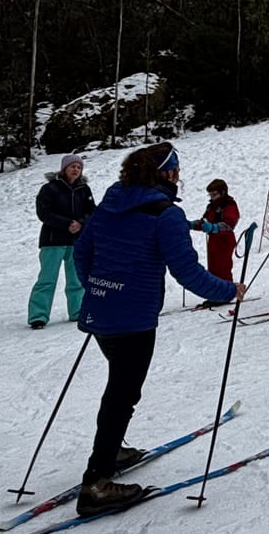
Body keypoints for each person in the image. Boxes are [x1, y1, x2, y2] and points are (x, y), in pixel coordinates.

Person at [71, 141, 242, 514]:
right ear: (165, 173)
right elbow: (187, 272)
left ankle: (111, 450)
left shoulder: (111, 201)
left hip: (102, 314)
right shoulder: (166, 214)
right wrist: (229, 290)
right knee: (122, 393)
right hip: (134, 318)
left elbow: (82, 254)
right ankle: (96, 482)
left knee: (118, 386)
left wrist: (98, 290)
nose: (178, 177)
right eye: (175, 170)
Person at [29, 153, 93, 328]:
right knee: (47, 279)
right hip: (53, 241)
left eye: (79, 167)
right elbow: (44, 212)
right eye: (72, 166)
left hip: (76, 241)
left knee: (77, 279)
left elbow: (91, 211)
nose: (76, 170)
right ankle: (38, 316)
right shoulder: (50, 188)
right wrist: (67, 224)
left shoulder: (84, 189)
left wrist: (80, 223)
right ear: (64, 168)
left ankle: (78, 311)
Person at [188, 179, 241, 305]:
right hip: (213, 240)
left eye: (214, 194)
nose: (212, 197)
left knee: (222, 267)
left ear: (223, 192)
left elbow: (230, 224)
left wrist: (214, 227)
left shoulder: (229, 205)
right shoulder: (211, 206)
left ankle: (225, 294)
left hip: (224, 240)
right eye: (210, 195)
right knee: (213, 268)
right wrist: (192, 224)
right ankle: (216, 294)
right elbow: (205, 221)